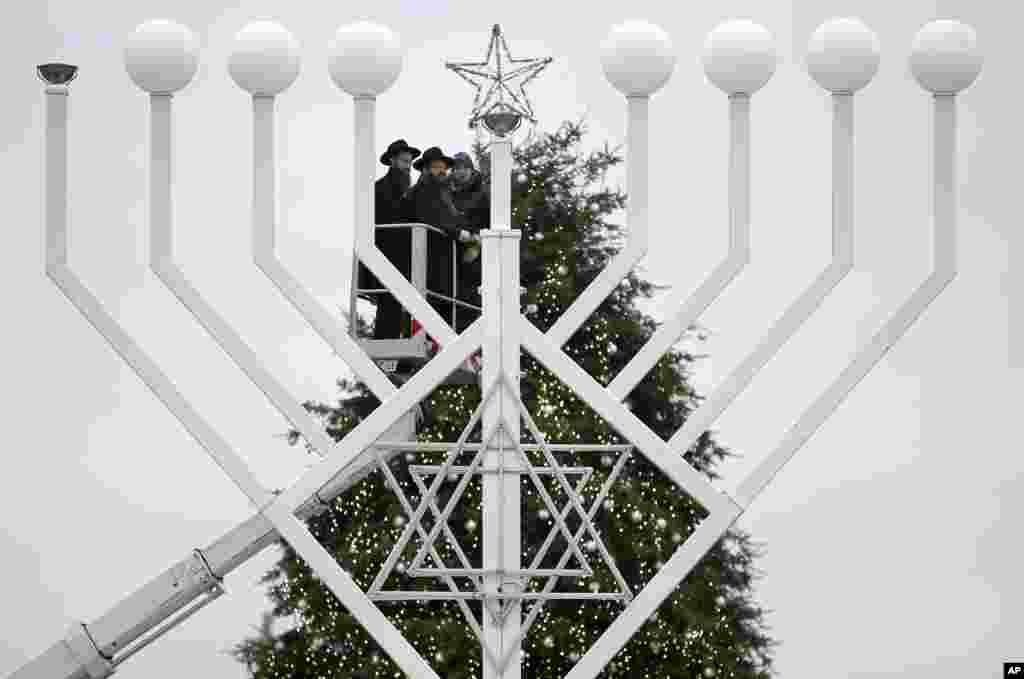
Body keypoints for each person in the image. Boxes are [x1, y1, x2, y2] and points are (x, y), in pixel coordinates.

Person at [358, 139, 420, 339]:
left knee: (402, 305)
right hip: (387, 255)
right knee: (389, 305)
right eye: (404, 161)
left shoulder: (408, 189)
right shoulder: (379, 188)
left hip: (404, 255)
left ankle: (397, 351)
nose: (408, 166)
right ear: (392, 161)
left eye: (409, 162)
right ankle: (387, 347)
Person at [401, 146, 468, 329]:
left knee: (443, 304)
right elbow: (429, 218)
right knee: (432, 304)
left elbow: (451, 218)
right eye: (437, 167)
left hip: (443, 259)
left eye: (444, 167)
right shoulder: (422, 191)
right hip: (429, 257)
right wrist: (457, 232)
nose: (443, 171)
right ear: (426, 169)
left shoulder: (444, 192)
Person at [449, 152, 490, 332]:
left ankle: (470, 342)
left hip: (475, 252)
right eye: (457, 168)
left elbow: (489, 222)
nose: (461, 172)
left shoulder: (482, 193)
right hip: (452, 249)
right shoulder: (448, 192)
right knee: (453, 295)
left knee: (471, 296)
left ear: (471, 169)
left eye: (464, 168)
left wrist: (476, 242)